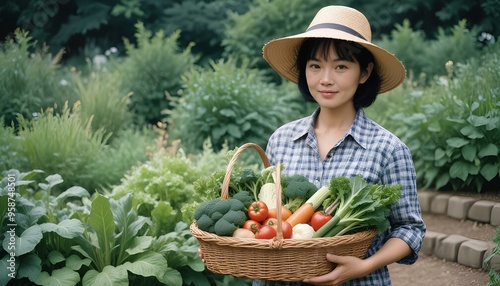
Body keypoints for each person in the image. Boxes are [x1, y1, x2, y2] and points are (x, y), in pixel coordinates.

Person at [257, 5, 426, 286]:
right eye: (315, 66)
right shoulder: (281, 139)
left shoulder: (388, 149)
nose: (325, 79)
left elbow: (410, 229)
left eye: (341, 66)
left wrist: (364, 266)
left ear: (364, 72)